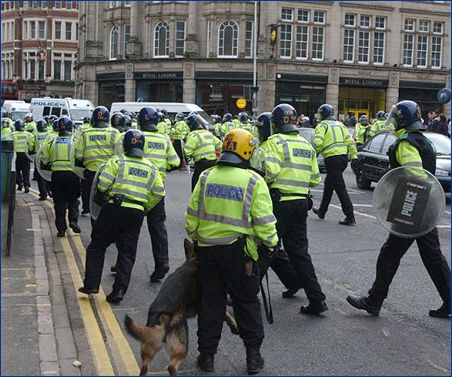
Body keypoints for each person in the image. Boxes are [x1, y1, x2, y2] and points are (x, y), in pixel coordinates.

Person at [185, 128, 278, 375]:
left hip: (207, 251)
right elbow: (264, 221)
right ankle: (253, 357)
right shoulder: (253, 180)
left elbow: (192, 216)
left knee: (211, 302)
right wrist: (271, 243)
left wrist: (196, 239)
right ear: (247, 150)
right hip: (239, 254)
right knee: (246, 302)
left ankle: (206, 356)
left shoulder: (205, 177)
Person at [346, 100, 450, 318]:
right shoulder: (424, 141)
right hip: (425, 206)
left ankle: (374, 301)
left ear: (402, 118)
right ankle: (450, 300)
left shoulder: (405, 143)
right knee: (432, 257)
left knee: (389, 254)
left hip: (411, 206)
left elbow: (416, 176)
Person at [79, 129, 165, 303]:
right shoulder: (151, 167)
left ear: (125, 145)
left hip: (113, 208)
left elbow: (102, 185)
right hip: (136, 212)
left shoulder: (117, 161)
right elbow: (158, 193)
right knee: (127, 252)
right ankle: (119, 290)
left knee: (97, 245)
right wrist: (144, 206)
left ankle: (92, 284)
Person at [261, 104, 327, 315]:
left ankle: (245, 294)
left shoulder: (274, 142)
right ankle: (317, 299)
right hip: (301, 203)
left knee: (265, 247)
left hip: (279, 203)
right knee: (299, 254)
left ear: (276, 123)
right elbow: (315, 180)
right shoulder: (306, 145)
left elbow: (268, 173)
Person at [255, 111, 303, 298]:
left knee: (265, 245)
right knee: (274, 245)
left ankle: (248, 289)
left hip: (274, 200)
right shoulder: (291, 142)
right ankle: (293, 280)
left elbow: (268, 173)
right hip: (291, 200)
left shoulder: (271, 145)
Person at [135, 106, 180, 282]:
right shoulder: (164, 140)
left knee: (129, 231)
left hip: (136, 189)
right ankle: (162, 262)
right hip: (157, 190)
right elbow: (175, 162)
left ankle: (120, 266)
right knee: (158, 228)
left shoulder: (134, 137)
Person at [312, 103, 358, 225]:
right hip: (342, 159)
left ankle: (350, 216)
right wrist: (354, 156)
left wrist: (314, 155)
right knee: (329, 184)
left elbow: (317, 142)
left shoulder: (322, 125)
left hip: (331, 160)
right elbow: (350, 141)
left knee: (340, 188)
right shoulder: (340, 125)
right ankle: (322, 211)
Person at [40, 116, 81, 237]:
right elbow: (80, 156)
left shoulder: (51, 140)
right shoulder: (75, 140)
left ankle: (61, 230)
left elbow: (44, 159)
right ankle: (73, 220)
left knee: (59, 203)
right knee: (73, 199)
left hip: (57, 175)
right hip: (72, 174)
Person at [74, 106, 119, 216]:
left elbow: (78, 154)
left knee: (88, 192)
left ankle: (87, 209)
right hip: (109, 171)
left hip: (91, 170)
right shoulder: (114, 133)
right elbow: (119, 153)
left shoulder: (85, 133)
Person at [184, 113, 221, 191]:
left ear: (191, 125)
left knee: (196, 184)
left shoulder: (192, 135)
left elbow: (187, 151)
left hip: (201, 164)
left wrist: (186, 158)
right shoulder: (208, 133)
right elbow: (219, 145)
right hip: (213, 163)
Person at [31, 119, 52, 200]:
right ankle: (49, 190)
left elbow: (30, 144)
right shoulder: (49, 133)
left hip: (38, 158)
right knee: (49, 175)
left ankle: (43, 194)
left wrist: (31, 150)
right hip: (48, 158)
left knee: (40, 177)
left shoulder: (35, 134)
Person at [12, 120, 33, 192]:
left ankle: (20, 183)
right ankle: (26, 185)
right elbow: (31, 145)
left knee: (17, 170)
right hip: (26, 155)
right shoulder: (28, 134)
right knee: (26, 171)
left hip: (16, 155)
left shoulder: (13, 134)